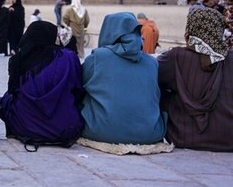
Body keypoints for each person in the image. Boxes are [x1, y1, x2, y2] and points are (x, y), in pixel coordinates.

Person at [80, 12, 166, 144]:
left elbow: (80, 83)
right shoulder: (152, 62)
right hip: (149, 134)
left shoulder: (98, 57)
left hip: (102, 131)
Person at [0, 21, 84, 147]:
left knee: (6, 99)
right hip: (64, 128)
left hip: (24, 126)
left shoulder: (17, 60)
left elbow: (12, 91)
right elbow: (77, 89)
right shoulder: (68, 57)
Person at [158, 8, 233, 151]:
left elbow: (155, 81)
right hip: (228, 138)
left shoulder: (176, 57)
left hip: (184, 136)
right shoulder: (230, 59)